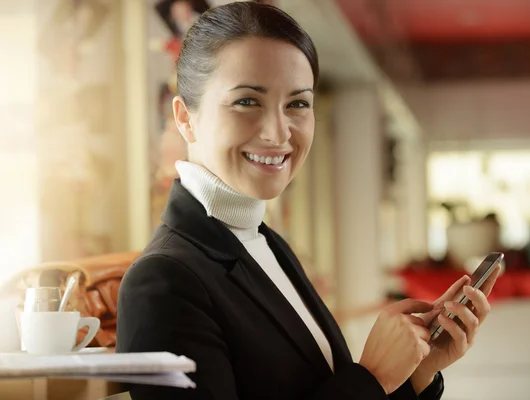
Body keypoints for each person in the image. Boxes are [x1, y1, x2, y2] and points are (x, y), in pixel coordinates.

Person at [116, 3, 500, 399]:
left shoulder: (267, 244)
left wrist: (415, 373)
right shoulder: (161, 282)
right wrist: (373, 377)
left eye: (298, 103)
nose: (278, 132)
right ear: (185, 118)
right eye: (247, 101)